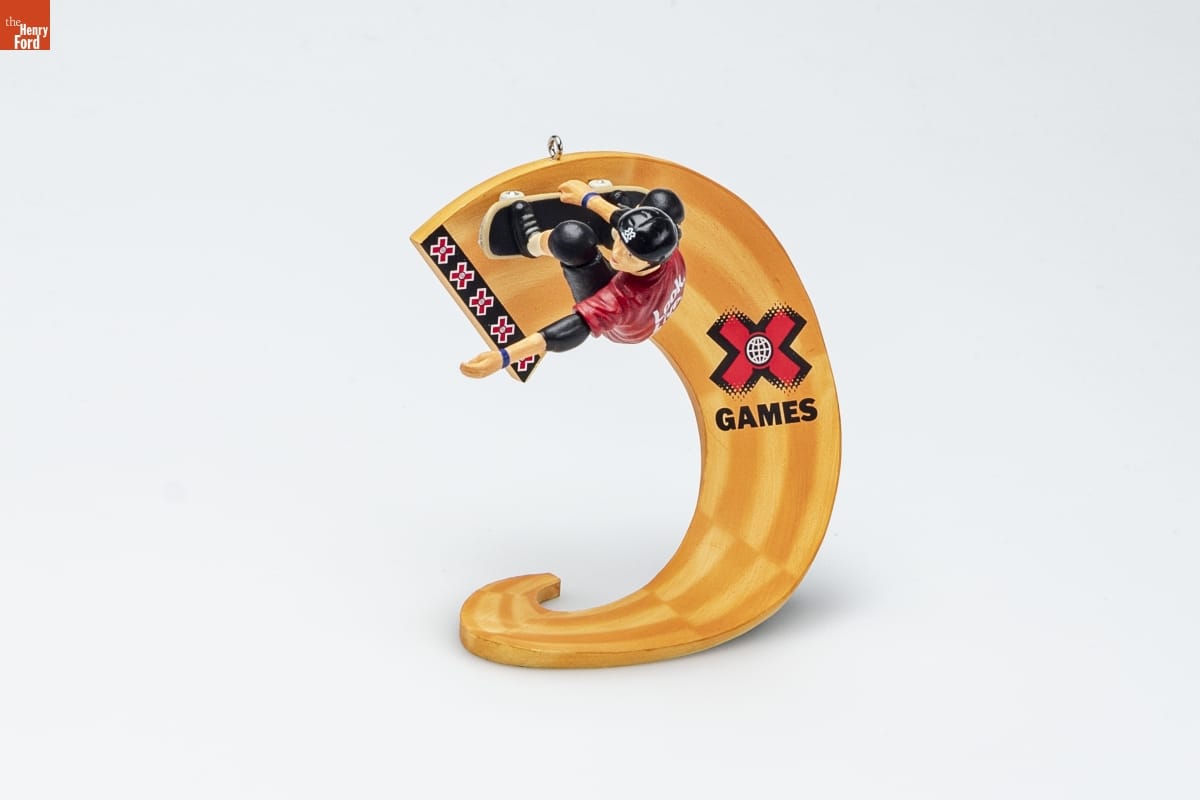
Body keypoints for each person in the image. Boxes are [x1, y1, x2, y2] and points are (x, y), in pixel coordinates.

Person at [460, 180, 687, 378]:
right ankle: (618, 231)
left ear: (651, 261)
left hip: (627, 327)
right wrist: (588, 198)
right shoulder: (668, 243)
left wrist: (504, 357)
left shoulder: (622, 301)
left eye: (630, 255)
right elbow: (623, 220)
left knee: (571, 239)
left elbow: (574, 328)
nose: (617, 254)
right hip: (655, 294)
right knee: (663, 200)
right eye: (619, 240)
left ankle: (531, 243)